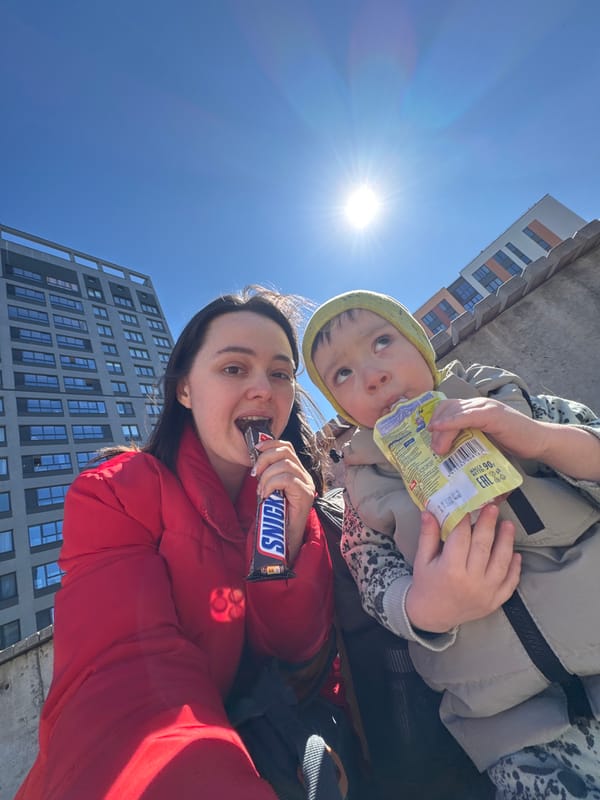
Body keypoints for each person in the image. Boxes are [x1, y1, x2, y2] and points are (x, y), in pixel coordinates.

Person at [16, 286, 336, 800]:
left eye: (280, 374)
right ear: (184, 389)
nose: (264, 389)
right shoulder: (116, 494)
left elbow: (299, 664)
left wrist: (286, 553)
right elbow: (123, 678)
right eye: (234, 369)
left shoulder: (295, 506)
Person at [302, 289, 600, 799]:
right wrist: (425, 608)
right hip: (505, 722)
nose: (372, 375)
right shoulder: (361, 486)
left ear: (421, 347)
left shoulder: (506, 399)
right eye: (342, 375)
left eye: (381, 342)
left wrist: (542, 440)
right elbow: (367, 571)